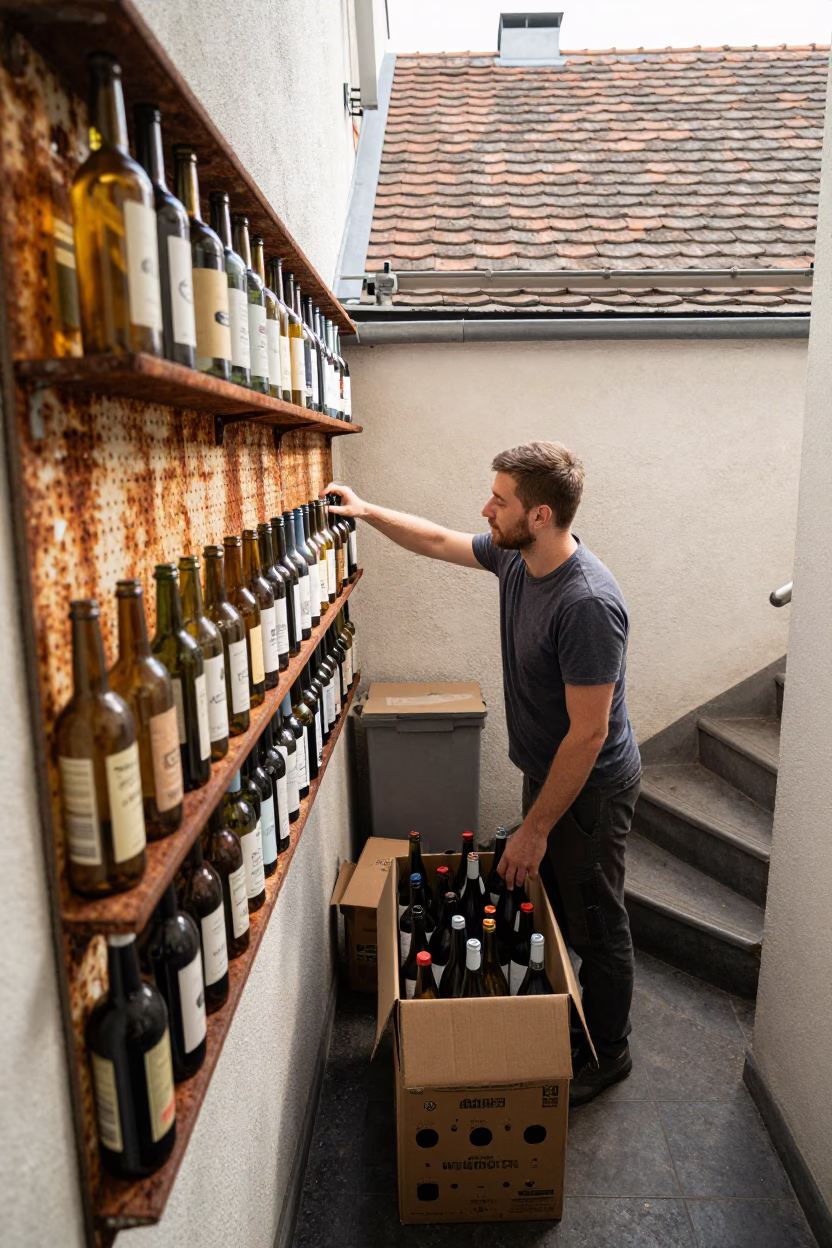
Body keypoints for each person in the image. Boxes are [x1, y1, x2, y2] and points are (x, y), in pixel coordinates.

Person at [324, 440, 641, 1105]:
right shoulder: (517, 560)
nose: (484, 509)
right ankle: (554, 1012)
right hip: (550, 773)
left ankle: (609, 1054)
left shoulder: (585, 604)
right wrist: (364, 510)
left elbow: (587, 738)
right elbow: (439, 540)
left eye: (499, 501)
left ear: (540, 516)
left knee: (598, 923)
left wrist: (537, 828)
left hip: (591, 788)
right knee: (551, 898)